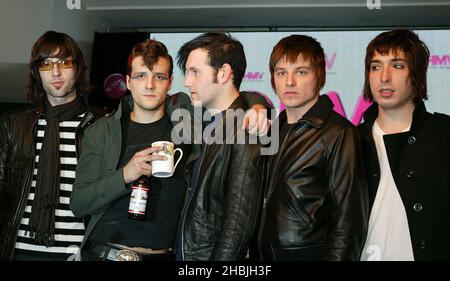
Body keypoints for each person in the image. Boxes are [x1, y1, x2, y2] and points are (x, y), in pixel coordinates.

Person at [70, 38, 270, 261]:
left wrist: (257, 106)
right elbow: (79, 204)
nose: (149, 85)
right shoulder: (102, 131)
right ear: (128, 81)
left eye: (159, 76)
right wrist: (126, 174)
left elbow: (227, 98)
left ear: (170, 82)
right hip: (105, 254)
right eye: (140, 76)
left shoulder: (187, 122)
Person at [256, 35, 368, 261]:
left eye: (301, 72)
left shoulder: (339, 132)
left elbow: (350, 220)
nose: (289, 82)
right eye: (281, 72)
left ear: (320, 76)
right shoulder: (273, 129)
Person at [0, 31, 104, 261]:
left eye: (64, 62)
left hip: (75, 255)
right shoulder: (14, 126)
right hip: (18, 253)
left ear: (78, 68)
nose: (55, 72)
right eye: (46, 64)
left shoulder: (101, 125)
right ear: (37, 72)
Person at [359, 29, 450, 261]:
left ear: (417, 74)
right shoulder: (350, 139)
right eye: (376, 66)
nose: (384, 77)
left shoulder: (443, 132)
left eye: (397, 66)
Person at [175, 33, 264, 261]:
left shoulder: (245, 127)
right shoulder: (203, 121)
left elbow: (239, 221)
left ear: (223, 73)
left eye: (195, 72)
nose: (187, 82)